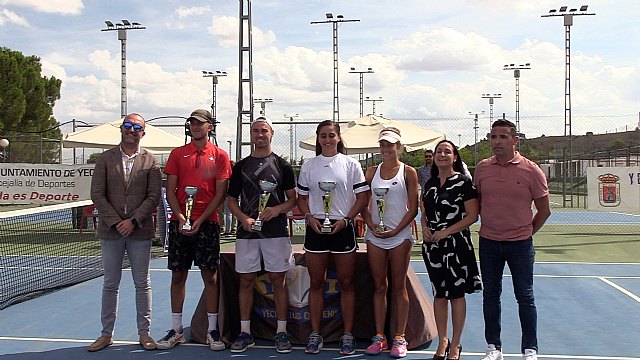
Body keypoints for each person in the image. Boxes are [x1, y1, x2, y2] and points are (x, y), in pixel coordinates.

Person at [475, 119, 550, 360]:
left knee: (525, 297)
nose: (497, 141)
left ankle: (530, 349)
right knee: (490, 295)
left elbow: (544, 210)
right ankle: (493, 347)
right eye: (493, 137)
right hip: (488, 243)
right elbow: (475, 204)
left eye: (503, 137)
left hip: (520, 245)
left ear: (515, 140)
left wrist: (525, 233)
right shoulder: (482, 169)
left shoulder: (532, 170)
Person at [156, 109, 232, 351]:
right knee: (178, 275)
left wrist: (200, 220)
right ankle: (176, 329)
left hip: (207, 225)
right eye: (192, 123)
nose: (196, 126)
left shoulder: (220, 155)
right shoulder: (178, 154)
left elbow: (220, 193)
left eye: (200, 123)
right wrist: (180, 217)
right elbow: (170, 190)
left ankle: (212, 330)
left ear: (210, 126)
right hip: (180, 225)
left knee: (210, 277)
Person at [89, 113, 162, 352]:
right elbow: (97, 194)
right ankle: (106, 334)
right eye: (128, 126)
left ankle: (145, 333)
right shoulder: (105, 159)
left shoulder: (151, 161)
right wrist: (117, 222)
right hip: (111, 232)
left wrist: (132, 221)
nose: (131, 130)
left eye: (136, 127)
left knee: (142, 283)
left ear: (143, 132)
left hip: (139, 232)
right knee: (111, 283)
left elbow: (153, 197)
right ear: (122, 129)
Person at [296, 120, 369, 355]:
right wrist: (309, 219)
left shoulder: (351, 164)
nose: (327, 140)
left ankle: (347, 335)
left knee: (346, 283)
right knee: (316, 283)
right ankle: (315, 334)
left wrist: (347, 220)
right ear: (318, 139)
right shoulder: (309, 165)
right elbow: (302, 198)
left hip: (343, 228)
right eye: (323, 136)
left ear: (338, 138)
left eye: (331, 135)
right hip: (316, 229)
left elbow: (362, 198)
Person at [227, 116, 297, 353]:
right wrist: (243, 219)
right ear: (251, 134)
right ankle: (245, 332)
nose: (259, 135)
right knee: (246, 281)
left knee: (279, 280)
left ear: (271, 134)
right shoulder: (241, 166)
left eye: (263, 131)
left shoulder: (283, 166)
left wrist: (276, 209)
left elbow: (293, 200)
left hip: (276, 232)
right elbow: (231, 200)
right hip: (247, 234)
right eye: (255, 131)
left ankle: (281, 332)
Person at [421, 139, 482, 360]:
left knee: (456, 295)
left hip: (456, 246)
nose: (442, 155)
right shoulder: (430, 183)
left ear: (455, 157)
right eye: (439, 151)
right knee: (439, 294)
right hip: (433, 248)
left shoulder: (464, 182)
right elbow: (424, 213)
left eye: (447, 151)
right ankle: (443, 341)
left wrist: (447, 232)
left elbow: (472, 216)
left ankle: (456, 343)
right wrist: (425, 228)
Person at [361, 127, 418, 358]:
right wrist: (372, 225)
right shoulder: (371, 171)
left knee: (399, 286)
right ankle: (379, 337)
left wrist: (396, 229)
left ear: (399, 147)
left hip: (400, 236)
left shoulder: (409, 172)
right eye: (383, 144)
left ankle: (399, 337)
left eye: (391, 145)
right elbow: (362, 203)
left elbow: (413, 208)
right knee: (379, 286)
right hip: (375, 236)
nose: (386, 149)